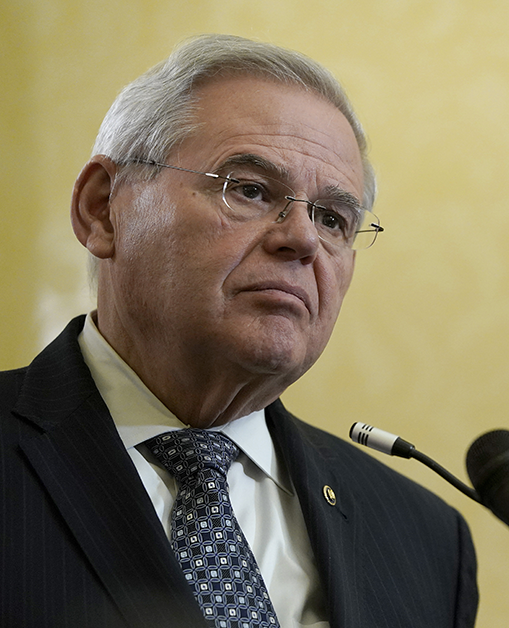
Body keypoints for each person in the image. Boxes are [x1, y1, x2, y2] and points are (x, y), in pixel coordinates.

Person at [0, 34, 478, 628]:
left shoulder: (425, 538)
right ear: (104, 209)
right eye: (249, 190)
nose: (302, 240)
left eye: (333, 219)